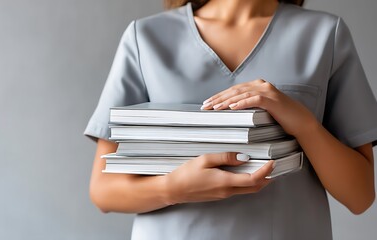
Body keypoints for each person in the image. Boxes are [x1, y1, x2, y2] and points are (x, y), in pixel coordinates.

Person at [84, 0, 377, 239]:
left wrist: (303, 122)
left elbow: (361, 196)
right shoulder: (144, 38)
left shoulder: (326, 35)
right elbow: (102, 191)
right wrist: (173, 189)